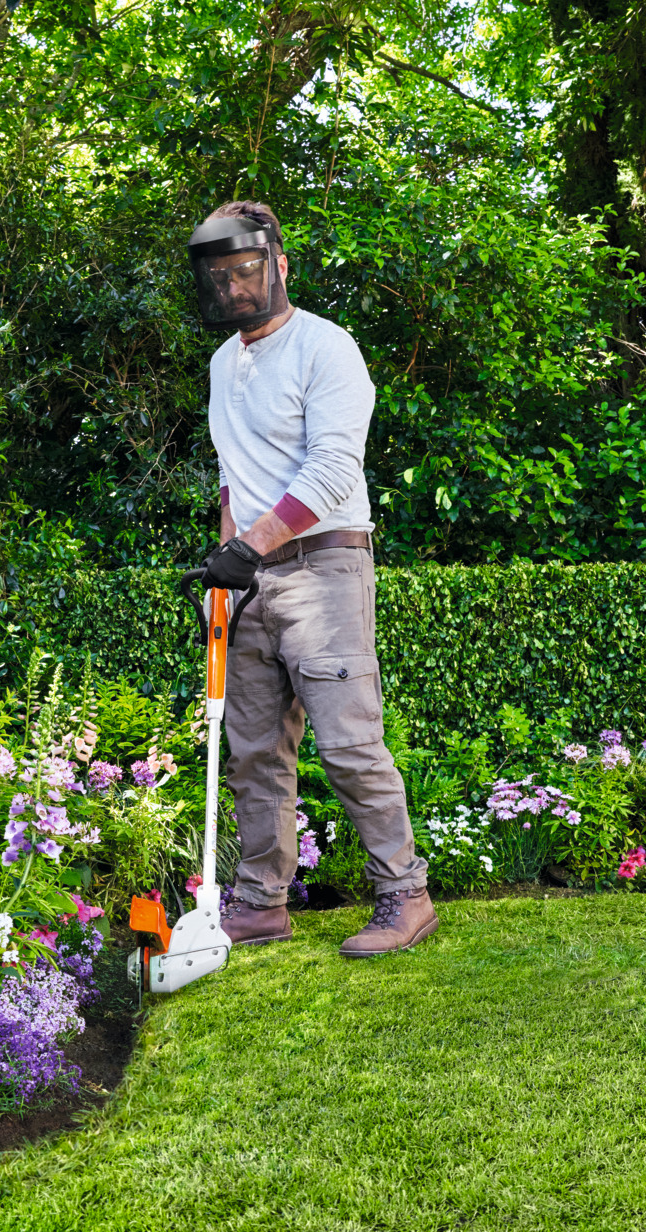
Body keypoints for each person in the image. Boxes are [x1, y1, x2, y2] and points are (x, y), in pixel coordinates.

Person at [185, 200, 436, 958]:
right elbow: (236, 480)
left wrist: (252, 548)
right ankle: (260, 901)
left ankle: (406, 893)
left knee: (350, 742)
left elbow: (331, 471)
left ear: (280, 265)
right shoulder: (223, 363)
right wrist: (224, 571)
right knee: (254, 751)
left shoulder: (327, 348)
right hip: (250, 580)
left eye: (248, 269)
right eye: (221, 275)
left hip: (324, 568)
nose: (235, 285)